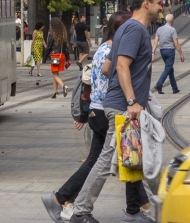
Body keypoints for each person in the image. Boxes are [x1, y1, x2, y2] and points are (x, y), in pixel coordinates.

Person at [69, 0, 161, 223]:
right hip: (123, 106)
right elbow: (120, 67)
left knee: (135, 158)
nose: (163, 6)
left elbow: (108, 67)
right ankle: (80, 211)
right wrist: (131, 100)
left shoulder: (128, 29)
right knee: (110, 160)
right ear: (147, 4)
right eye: (159, 2)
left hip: (121, 103)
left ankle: (135, 211)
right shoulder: (135, 29)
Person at [42, 12, 144, 223]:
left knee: (102, 160)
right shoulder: (114, 51)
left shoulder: (104, 49)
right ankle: (138, 208)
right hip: (109, 110)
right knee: (128, 156)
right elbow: (112, 81)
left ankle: (60, 197)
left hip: (97, 111)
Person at [152, 12, 183, 94]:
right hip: (170, 51)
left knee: (170, 69)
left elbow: (155, 42)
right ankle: (159, 84)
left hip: (162, 51)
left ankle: (175, 88)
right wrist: (181, 54)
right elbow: (176, 43)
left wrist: (153, 53)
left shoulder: (159, 29)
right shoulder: (172, 30)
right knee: (168, 68)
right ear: (172, 20)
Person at [47, 17, 70, 99]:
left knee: (55, 74)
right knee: (56, 73)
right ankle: (55, 92)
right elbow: (66, 48)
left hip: (54, 56)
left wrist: (45, 57)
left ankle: (63, 86)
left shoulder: (52, 34)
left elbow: (49, 46)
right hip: (61, 56)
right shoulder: (63, 34)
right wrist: (68, 58)